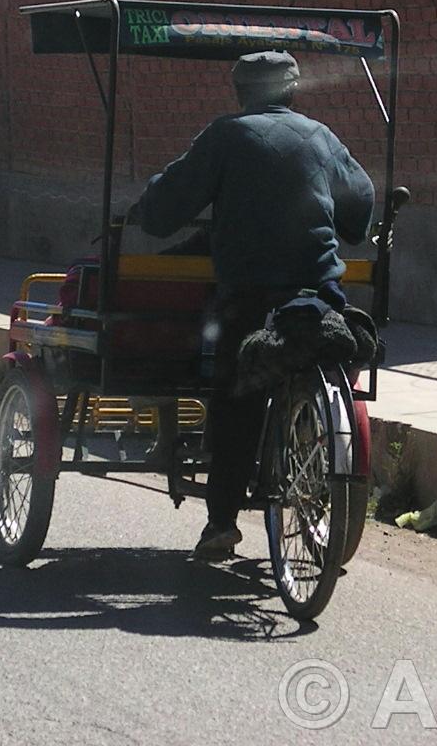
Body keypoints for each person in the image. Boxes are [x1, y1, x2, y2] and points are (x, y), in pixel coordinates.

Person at [132, 50, 376, 562]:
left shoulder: (227, 135)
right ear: (291, 92)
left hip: (250, 297)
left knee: (234, 392)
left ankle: (221, 521)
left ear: (241, 92)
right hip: (319, 294)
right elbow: (361, 203)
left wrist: (147, 206)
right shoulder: (320, 136)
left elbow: (166, 206)